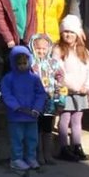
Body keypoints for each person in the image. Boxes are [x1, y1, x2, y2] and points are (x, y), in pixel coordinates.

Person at [55, 15, 89, 162]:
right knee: (65, 118)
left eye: (72, 32)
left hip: (81, 92)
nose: (68, 35)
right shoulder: (58, 50)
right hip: (66, 91)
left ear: (77, 34)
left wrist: (88, 86)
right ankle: (63, 147)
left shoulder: (83, 51)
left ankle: (77, 145)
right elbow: (59, 71)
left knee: (77, 119)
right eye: (65, 31)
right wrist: (74, 86)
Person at [2, 45, 48, 171]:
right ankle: (16, 159)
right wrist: (16, 106)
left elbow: (41, 93)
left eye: (24, 63)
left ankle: (30, 157)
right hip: (16, 115)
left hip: (32, 115)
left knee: (32, 139)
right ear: (13, 63)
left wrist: (37, 108)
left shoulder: (34, 78)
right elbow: (6, 94)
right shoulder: (8, 78)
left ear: (29, 61)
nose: (22, 66)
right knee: (17, 138)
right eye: (19, 63)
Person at [30, 32, 64, 165]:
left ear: (49, 48)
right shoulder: (31, 64)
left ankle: (48, 154)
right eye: (38, 48)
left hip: (49, 102)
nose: (41, 51)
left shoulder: (53, 63)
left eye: (44, 48)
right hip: (35, 103)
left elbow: (60, 79)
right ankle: (38, 154)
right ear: (33, 48)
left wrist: (58, 99)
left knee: (48, 128)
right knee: (37, 129)